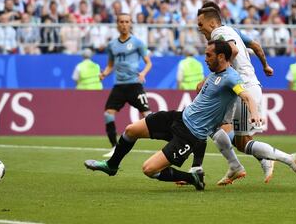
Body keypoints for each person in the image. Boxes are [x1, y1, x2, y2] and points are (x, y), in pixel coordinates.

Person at [85, 40, 261, 191]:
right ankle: (111, 166)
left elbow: (246, 96)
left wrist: (255, 114)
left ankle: (193, 178)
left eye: (208, 55)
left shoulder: (232, 78)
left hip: (190, 135)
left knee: (149, 169)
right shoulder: (216, 72)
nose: (205, 59)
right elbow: (230, 54)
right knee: (131, 130)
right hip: (178, 117)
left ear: (221, 57)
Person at [196, 7, 296, 185]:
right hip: (242, 86)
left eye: (201, 24)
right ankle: (237, 165)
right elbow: (255, 46)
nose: (199, 28)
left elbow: (233, 50)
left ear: (212, 22)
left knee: (240, 141)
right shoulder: (232, 31)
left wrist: (211, 76)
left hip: (243, 87)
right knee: (218, 126)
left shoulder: (218, 33)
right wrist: (265, 66)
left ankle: (287, 159)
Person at [101, 13, 152, 157]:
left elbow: (149, 62)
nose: (124, 24)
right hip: (119, 86)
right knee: (108, 114)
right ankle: (114, 147)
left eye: (127, 22)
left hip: (134, 85)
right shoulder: (112, 45)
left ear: (130, 24)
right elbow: (110, 65)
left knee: (148, 116)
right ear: (117, 24)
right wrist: (104, 73)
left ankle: (168, 140)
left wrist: (143, 74)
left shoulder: (137, 42)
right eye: (121, 21)